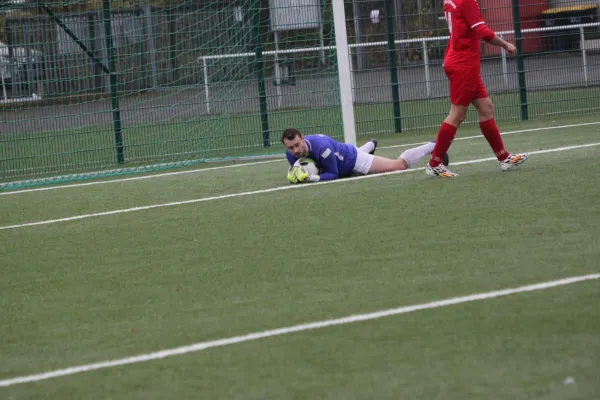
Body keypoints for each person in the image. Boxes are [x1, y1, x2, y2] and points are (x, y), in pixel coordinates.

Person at [427, 0, 529, 178]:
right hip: (463, 64)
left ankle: (503, 158)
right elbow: (482, 31)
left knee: (485, 107)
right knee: (457, 114)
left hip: (462, 61)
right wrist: (505, 44)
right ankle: (434, 163)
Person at [282, 128, 448, 183]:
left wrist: (312, 178)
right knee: (348, 152)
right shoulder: (290, 155)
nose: (295, 151)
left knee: (398, 166)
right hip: (343, 153)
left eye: (297, 145)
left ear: (302, 138)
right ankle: (371, 144)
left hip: (353, 160)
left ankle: (433, 145)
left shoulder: (322, 149)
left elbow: (334, 174)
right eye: (290, 148)